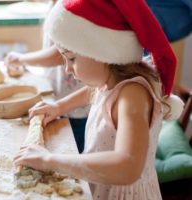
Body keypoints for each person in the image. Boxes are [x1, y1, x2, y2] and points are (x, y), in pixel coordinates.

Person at [14, 0, 184, 199]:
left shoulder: (133, 96)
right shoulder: (110, 81)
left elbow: (128, 166)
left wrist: (49, 160)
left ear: (102, 52)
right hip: (100, 187)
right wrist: (59, 107)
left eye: (72, 58)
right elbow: (95, 92)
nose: (67, 69)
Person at [5, 4, 89, 153]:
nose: (68, 68)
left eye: (72, 61)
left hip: (77, 107)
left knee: (75, 151)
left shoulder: (77, 6)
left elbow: (59, 54)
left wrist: (22, 59)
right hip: (61, 100)